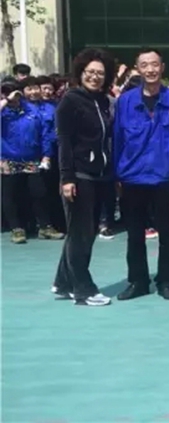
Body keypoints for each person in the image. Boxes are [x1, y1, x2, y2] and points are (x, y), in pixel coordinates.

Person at [113, 49, 169, 301]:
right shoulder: (125, 101)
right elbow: (117, 138)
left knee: (167, 233)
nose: (150, 69)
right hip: (132, 176)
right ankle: (138, 281)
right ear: (137, 69)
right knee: (134, 234)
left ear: (162, 67)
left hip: (164, 176)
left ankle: (166, 281)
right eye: (144, 65)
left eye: (154, 64)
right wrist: (117, 175)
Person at [52, 48, 116, 306]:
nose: (95, 77)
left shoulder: (104, 101)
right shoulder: (70, 100)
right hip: (79, 175)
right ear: (80, 73)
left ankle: (63, 282)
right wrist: (67, 178)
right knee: (81, 234)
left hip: (100, 175)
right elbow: (64, 142)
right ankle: (83, 289)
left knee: (83, 233)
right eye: (90, 72)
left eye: (100, 73)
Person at [1, 79, 62, 243]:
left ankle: (45, 227)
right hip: (8, 159)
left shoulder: (32, 110)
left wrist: (46, 155)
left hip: (32, 158)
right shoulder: (3, 111)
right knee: (10, 195)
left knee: (39, 192)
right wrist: (6, 101)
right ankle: (16, 229)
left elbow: (44, 134)